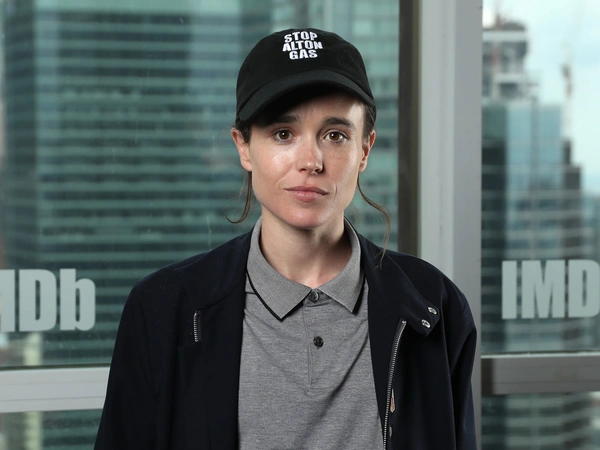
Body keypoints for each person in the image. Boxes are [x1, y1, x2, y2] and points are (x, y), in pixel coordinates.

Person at [94, 28, 477, 450]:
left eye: (335, 135)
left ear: (365, 150)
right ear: (243, 147)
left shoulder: (434, 305)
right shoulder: (162, 309)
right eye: (282, 133)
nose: (310, 161)